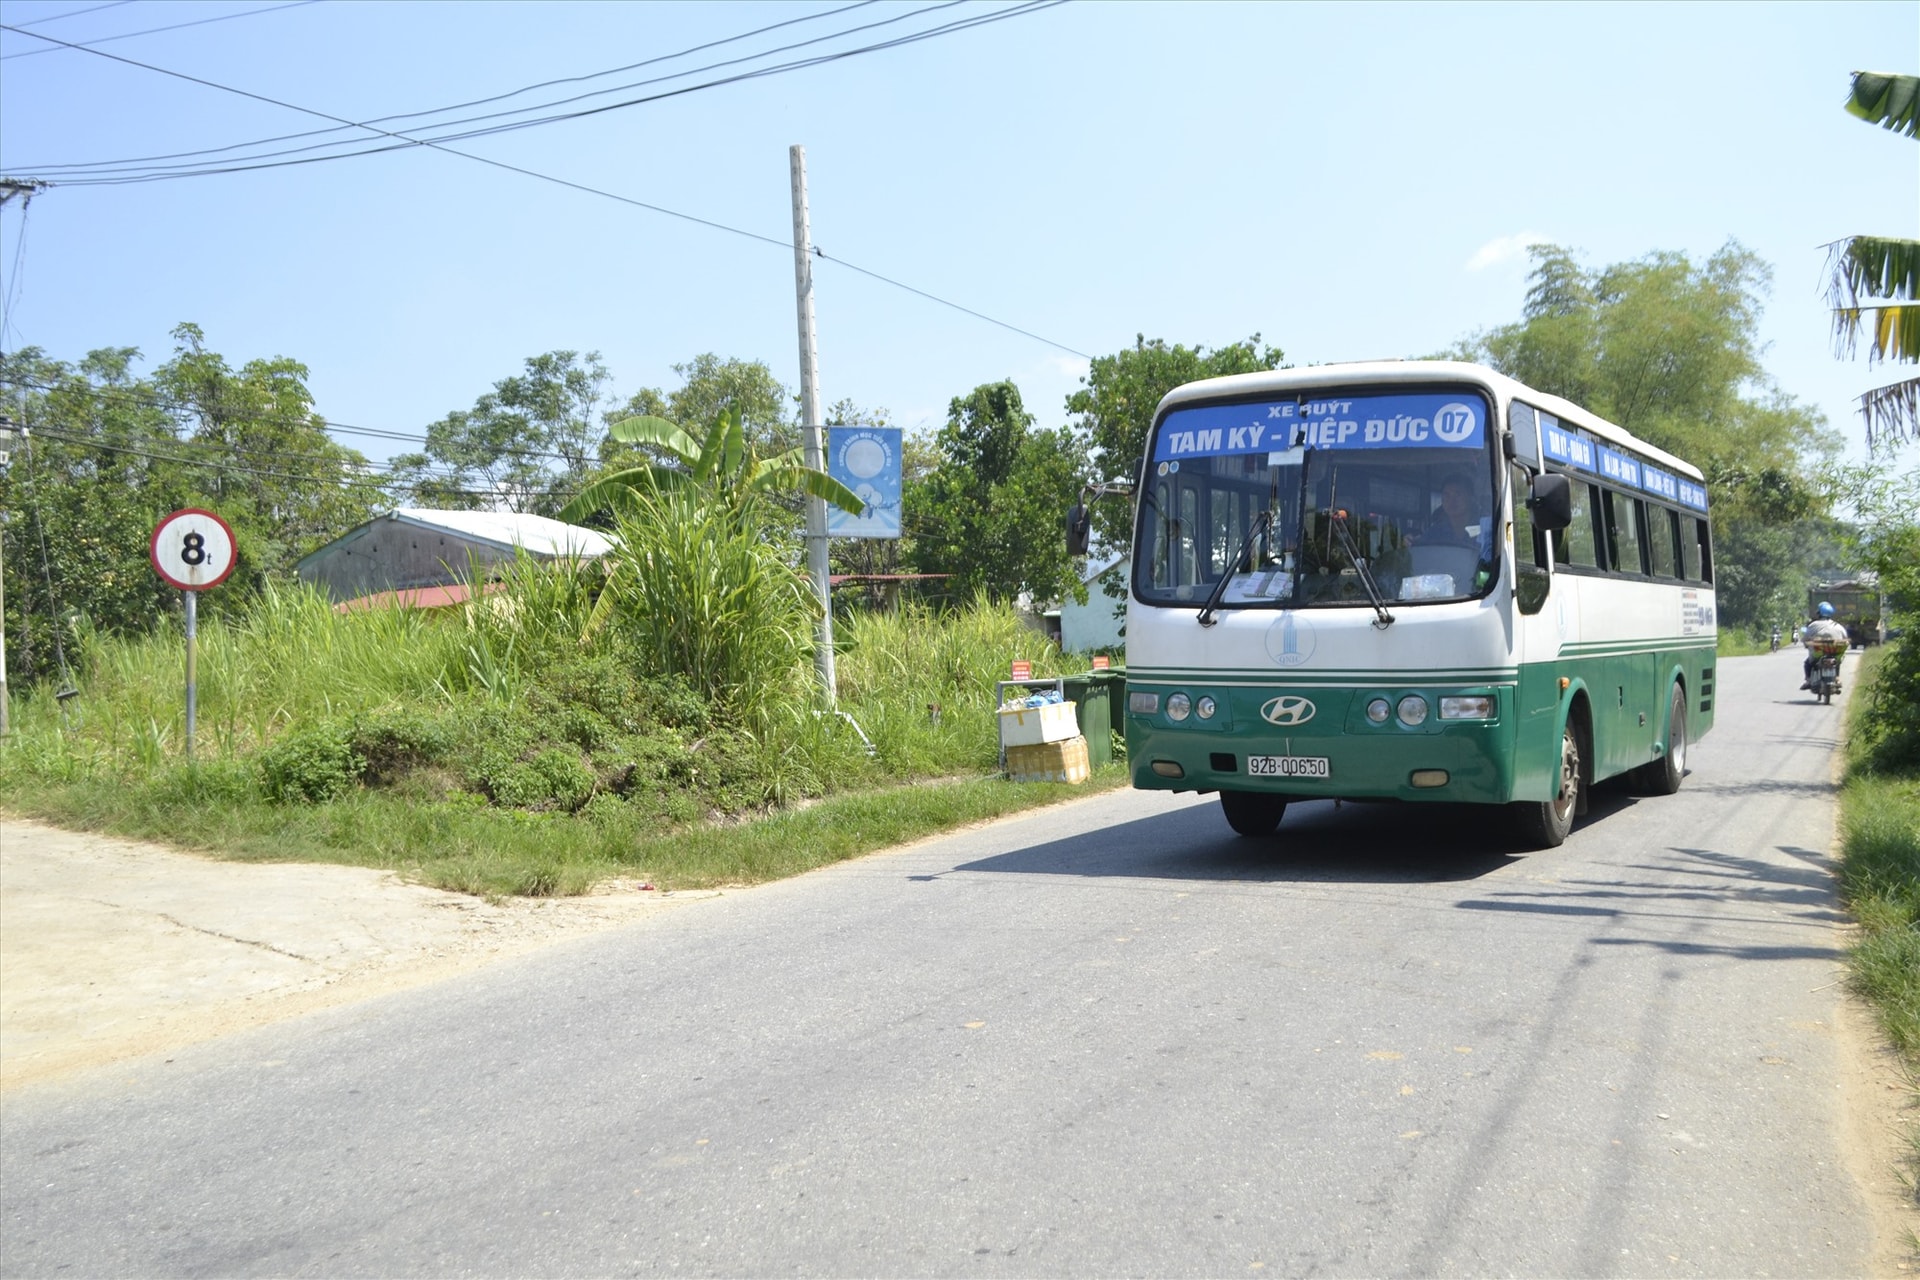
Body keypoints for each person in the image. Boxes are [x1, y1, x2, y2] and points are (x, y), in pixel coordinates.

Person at [1801, 602, 1849, 689]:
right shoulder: (1838, 626)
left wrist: (1806, 643)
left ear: (1819, 613)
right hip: (1835, 652)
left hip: (1818, 654)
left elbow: (1805, 638)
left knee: (1808, 663)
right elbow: (1845, 638)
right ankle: (1837, 678)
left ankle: (1808, 680)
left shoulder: (1813, 625)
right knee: (1836, 663)